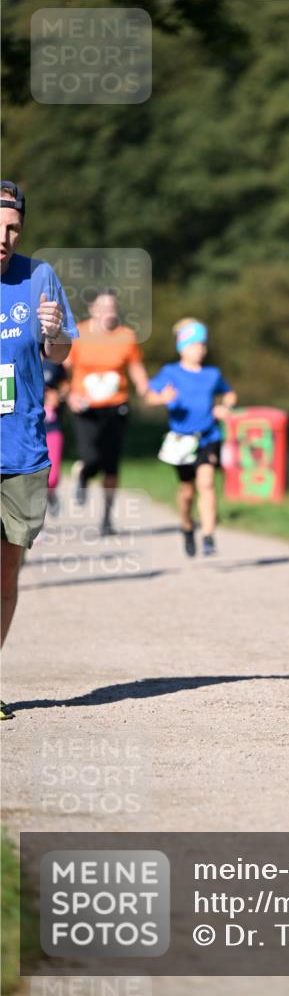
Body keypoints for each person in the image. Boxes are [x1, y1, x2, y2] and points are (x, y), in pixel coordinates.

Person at [0, 180, 77, 720]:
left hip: (21, 449)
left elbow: (62, 350)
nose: (6, 238)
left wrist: (54, 334)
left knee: (6, 575)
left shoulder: (38, 276)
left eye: (13, 230)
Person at [145, 318, 237, 557]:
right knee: (187, 491)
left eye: (202, 345)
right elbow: (148, 396)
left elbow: (229, 394)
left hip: (208, 436)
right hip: (182, 442)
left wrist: (223, 406)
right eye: (194, 345)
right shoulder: (170, 372)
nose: (200, 349)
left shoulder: (212, 374)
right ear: (182, 347)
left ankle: (208, 535)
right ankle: (187, 526)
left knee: (206, 483)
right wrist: (162, 398)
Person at [66, 288, 149, 535]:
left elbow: (136, 369)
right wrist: (68, 394)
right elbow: (61, 369)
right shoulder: (78, 333)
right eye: (102, 307)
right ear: (93, 309)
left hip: (116, 406)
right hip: (86, 408)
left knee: (111, 465)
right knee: (92, 458)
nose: (107, 312)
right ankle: (83, 473)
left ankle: (106, 518)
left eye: (112, 307)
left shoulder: (126, 336)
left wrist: (146, 388)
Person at [42, 355, 68, 515]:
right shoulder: (16, 356)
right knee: (32, 478)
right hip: (29, 430)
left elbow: (66, 385)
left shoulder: (53, 361)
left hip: (52, 428)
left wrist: (58, 395)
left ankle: (51, 494)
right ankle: (38, 525)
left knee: (52, 477)